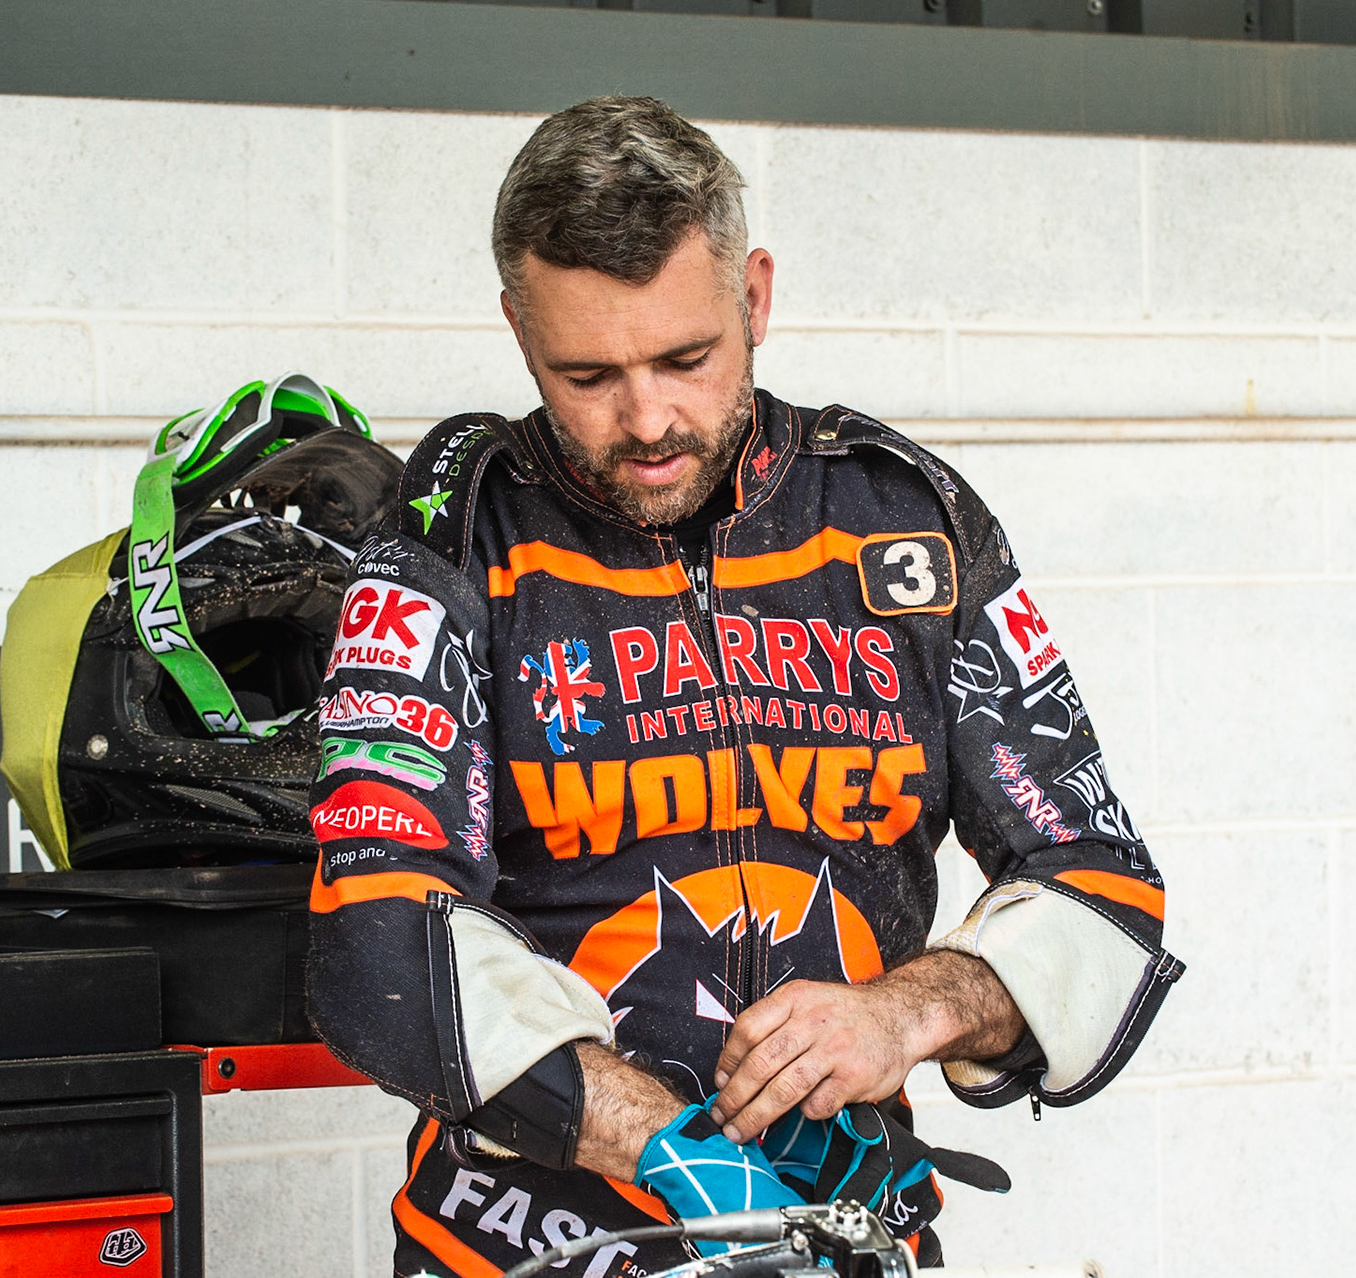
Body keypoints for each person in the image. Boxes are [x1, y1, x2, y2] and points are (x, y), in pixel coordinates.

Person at [307, 96, 1181, 1278]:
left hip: (840, 1249)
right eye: (587, 374)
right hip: (521, 1250)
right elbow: (377, 936)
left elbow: (1101, 886)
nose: (648, 419)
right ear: (518, 329)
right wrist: (662, 1144)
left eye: (686, 358)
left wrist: (909, 1011)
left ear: (754, 297)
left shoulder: (902, 522)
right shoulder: (451, 531)